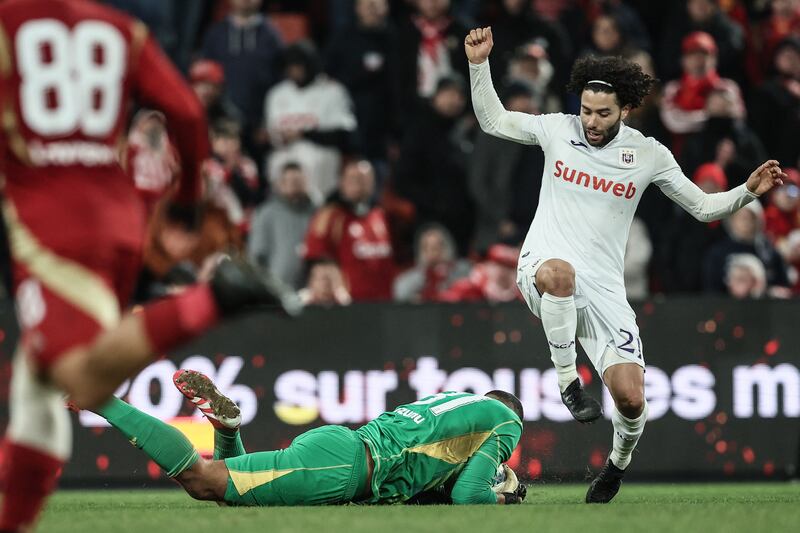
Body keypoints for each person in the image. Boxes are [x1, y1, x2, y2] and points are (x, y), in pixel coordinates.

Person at [0, 2, 297, 531]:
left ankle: (215, 296)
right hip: (118, 219)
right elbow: (183, 111)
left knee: (76, 378)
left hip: (51, 224)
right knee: (38, 388)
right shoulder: (121, 31)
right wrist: (185, 195)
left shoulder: (9, 20)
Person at [465, 26, 787, 504]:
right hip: (543, 266)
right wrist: (478, 64)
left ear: (625, 110)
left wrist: (746, 192)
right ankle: (568, 382)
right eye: (586, 111)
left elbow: (700, 207)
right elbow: (493, 120)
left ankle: (615, 467)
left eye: (602, 114)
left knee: (632, 398)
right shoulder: (557, 129)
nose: (591, 122)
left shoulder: (648, 154)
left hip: (604, 288)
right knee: (560, 274)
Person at [90, 369, 527, 506]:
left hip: (340, 449)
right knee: (203, 481)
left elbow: (435, 482)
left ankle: (227, 430)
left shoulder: (455, 401)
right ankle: (102, 400)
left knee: (234, 500)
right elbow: (469, 495)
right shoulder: (506, 420)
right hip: (340, 469)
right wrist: (504, 498)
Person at [304, 159, 395, 301]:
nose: (359, 183)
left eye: (364, 179)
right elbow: (315, 260)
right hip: (349, 307)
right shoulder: (330, 216)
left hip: (384, 302)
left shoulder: (380, 215)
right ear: (342, 182)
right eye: (353, 178)